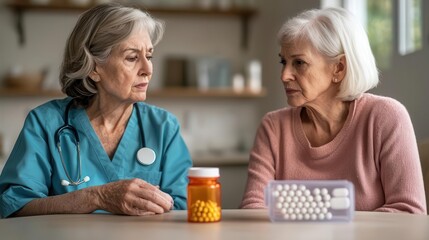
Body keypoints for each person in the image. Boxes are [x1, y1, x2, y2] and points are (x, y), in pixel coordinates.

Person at [0, 3, 192, 218]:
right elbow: (13, 205)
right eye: (132, 57)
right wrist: (96, 197)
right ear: (93, 68)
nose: (147, 70)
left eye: (149, 56)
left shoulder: (163, 126)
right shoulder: (45, 123)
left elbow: (183, 207)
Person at [240, 7, 426, 214]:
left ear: (339, 68)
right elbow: (253, 208)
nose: (284, 75)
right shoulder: (273, 127)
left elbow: (408, 211)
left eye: (299, 63)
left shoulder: (386, 117)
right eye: (284, 62)